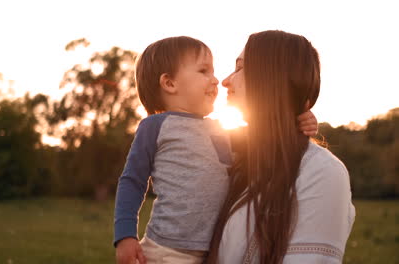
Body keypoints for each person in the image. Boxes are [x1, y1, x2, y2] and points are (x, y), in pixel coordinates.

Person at [114, 36, 318, 264]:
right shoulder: (155, 126)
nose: (216, 80)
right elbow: (132, 181)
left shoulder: (220, 130)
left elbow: (267, 139)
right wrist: (125, 236)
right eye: (204, 71)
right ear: (169, 83)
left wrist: (297, 121)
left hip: (212, 252)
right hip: (166, 250)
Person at [206, 30, 356, 264]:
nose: (225, 80)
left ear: (270, 77)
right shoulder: (235, 160)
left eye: (239, 68)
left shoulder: (323, 173)